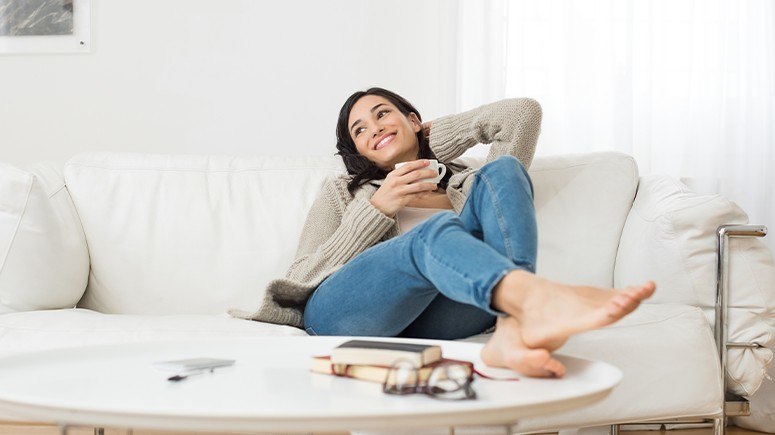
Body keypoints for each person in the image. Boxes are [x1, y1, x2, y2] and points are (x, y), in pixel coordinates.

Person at [234, 87, 655, 378]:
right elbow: (305, 271)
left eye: (383, 114)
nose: (374, 127)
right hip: (344, 314)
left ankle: (513, 325)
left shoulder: (466, 184)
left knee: (505, 170)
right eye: (359, 130)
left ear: (414, 120)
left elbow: (522, 113)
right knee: (432, 234)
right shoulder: (344, 192)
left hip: (438, 316)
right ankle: (533, 305)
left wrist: (434, 139)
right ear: (357, 151)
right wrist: (379, 208)